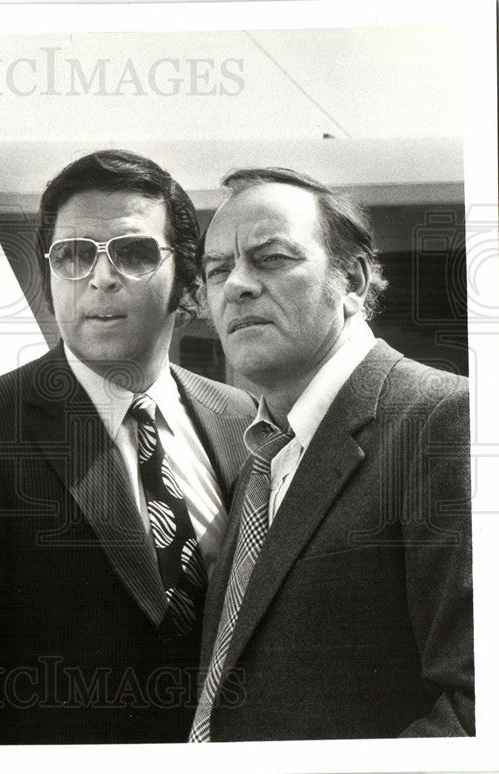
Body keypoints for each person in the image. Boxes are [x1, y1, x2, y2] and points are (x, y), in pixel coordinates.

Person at [0, 150, 256, 744]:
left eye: (132, 253)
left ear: (186, 278)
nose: (100, 277)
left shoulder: (240, 420)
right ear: (49, 281)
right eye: (74, 255)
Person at [190, 167, 474, 741]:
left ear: (354, 281)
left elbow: (476, 713)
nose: (235, 286)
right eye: (217, 269)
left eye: (270, 258)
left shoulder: (446, 423)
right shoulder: (263, 449)